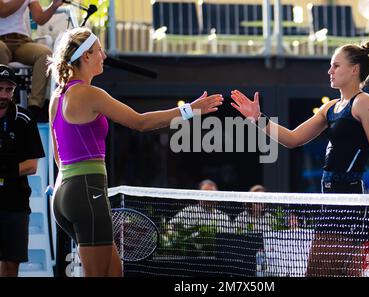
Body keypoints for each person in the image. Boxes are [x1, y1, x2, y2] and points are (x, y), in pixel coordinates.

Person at [47, 27, 223, 277]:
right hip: (86, 192)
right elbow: (141, 122)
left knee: (115, 272)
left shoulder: (57, 96)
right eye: (99, 51)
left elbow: (57, 154)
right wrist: (190, 110)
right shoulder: (90, 94)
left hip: (63, 193)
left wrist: (73, 190)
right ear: (86, 57)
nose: (104, 56)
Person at [230, 42, 369, 276]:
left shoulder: (364, 102)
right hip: (330, 200)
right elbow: (293, 138)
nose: (330, 71)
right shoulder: (330, 108)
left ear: (354, 69)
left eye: (336, 66)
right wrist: (259, 118)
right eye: (330, 66)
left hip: (350, 201)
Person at [0, 64, 45, 277]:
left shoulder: (24, 119)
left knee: (10, 266)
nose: (3, 94)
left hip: (15, 204)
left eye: (8, 89)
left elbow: (32, 166)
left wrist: (4, 170)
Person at [0, 0, 63, 121]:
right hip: (1, 41)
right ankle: (5, 103)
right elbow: (3, 11)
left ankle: (35, 107)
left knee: (45, 54)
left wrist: (54, 6)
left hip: (22, 41)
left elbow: (39, 18)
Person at [167, 179, 232, 234]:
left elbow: (230, 237)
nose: (208, 198)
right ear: (198, 196)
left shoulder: (223, 217)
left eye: (212, 195)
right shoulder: (188, 211)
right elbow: (169, 226)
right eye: (205, 194)